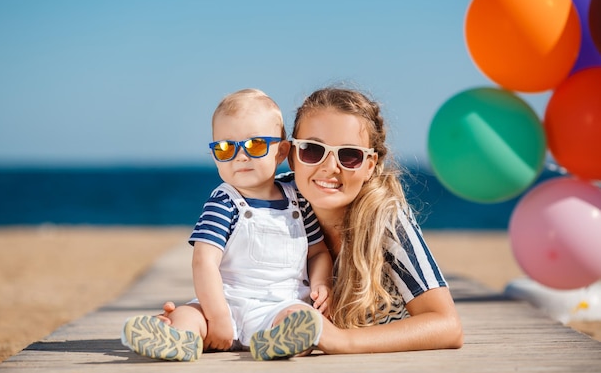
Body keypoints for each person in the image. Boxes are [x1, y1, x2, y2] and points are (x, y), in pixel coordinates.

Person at [121, 88, 333, 361]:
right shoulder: (225, 201)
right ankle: (175, 338)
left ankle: (276, 343)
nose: (240, 156)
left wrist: (321, 284)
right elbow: (204, 262)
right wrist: (217, 315)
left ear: (281, 152)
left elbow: (318, 252)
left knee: (304, 321)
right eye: (224, 148)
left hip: (280, 305)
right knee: (188, 315)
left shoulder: (298, 200)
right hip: (224, 303)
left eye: (255, 145)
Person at [279, 86, 464, 353]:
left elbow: (447, 325)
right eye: (312, 150)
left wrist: (341, 340)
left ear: (369, 165)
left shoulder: (384, 219)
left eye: (349, 155)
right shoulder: (272, 206)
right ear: (293, 156)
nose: (330, 167)